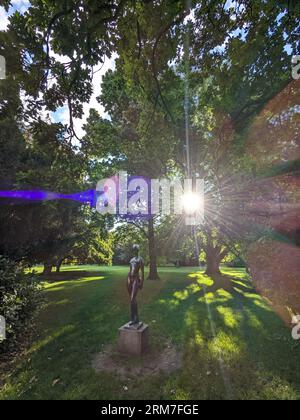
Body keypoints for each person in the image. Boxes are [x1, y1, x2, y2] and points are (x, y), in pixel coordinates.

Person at [127, 244, 144, 326]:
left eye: (136, 249)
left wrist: (141, 282)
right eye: (134, 249)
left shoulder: (140, 259)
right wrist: (128, 280)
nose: (135, 251)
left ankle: (135, 318)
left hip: (136, 279)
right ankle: (134, 318)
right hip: (130, 279)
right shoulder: (131, 260)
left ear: (138, 250)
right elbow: (130, 270)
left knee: (132, 299)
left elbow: (142, 272)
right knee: (132, 299)